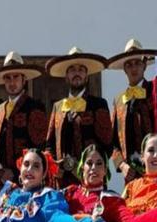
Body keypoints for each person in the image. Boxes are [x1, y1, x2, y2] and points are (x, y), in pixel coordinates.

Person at [0, 51, 48, 195]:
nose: (12, 82)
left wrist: (15, 171)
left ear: (23, 79)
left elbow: (39, 148)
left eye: (16, 77)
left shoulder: (35, 107)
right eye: (8, 78)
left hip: (26, 182)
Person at [44, 47, 112, 188]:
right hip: (62, 181)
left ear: (86, 76)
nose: (77, 73)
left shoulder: (98, 104)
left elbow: (107, 144)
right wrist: (54, 166)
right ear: (66, 76)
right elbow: (49, 144)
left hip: (90, 178)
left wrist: (92, 166)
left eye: (81, 70)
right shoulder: (57, 106)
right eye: (72, 70)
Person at [106, 39, 157, 184]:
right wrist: (122, 165)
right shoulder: (119, 100)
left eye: (137, 63)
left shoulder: (156, 90)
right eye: (129, 64)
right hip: (131, 176)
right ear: (124, 69)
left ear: (144, 65)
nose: (134, 68)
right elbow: (113, 143)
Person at [63, 145, 133, 222]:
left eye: (99, 163)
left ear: (105, 170)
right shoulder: (70, 192)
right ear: (82, 168)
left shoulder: (110, 199)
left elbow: (130, 221)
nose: (94, 168)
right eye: (89, 163)